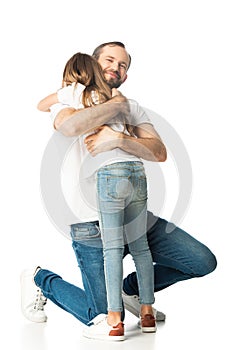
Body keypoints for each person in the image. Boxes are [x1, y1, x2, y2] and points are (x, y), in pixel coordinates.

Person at [21, 42, 217, 342]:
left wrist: (119, 140)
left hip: (132, 211)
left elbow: (159, 150)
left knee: (202, 261)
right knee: (102, 319)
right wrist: (114, 107)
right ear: (93, 64)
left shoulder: (132, 106)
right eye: (109, 60)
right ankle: (40, 279)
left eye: (123, 65)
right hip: (89, 225)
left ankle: (131, 290)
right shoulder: (71, 98)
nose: (116, 67)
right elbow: (70, 127)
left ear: (125, 75)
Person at [37, 51, 160, 337]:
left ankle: (114, 319)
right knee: (141, 247)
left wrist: (63, 93)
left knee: (113, 249)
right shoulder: (119, 99)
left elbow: (41, 104)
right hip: (137, 171)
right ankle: (147, 312)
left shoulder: (75, 92)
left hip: (108, 173)